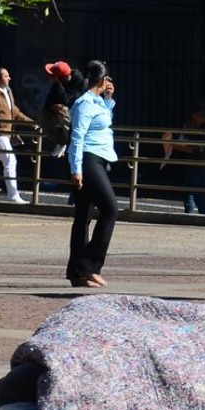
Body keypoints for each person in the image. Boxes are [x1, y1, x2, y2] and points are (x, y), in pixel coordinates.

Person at [66, 61, 119, 288]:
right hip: (88, 159)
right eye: (108, 78)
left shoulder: (98, 101)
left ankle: (76, 272)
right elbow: (77, 137)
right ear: (102, 78)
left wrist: (108, 99)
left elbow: (105, 121)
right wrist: (75, 169)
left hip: (99, 157)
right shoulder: (84, 103)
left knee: (83, 216)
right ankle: (89, 264)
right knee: (110, 208)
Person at [0, 66, 37, 203]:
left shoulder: (8, 91)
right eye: (6, 76)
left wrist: (32, 122)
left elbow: (15, 112)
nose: (9, 78)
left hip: (6, 135)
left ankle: (13, 195)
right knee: (10, 161)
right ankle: (13, 195)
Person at [163, 104, 205, 214]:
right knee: (191, 192)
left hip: (200, 166)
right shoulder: (202, 128)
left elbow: (194, 149)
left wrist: (174, 144)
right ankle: (193, 215)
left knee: (195, 192)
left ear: (200, 116)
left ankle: (200, 215)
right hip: (197, 165)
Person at [41, 61, 74, 158]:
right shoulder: (56, 86)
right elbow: (48, 102)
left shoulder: (76, 84)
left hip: (74, 116)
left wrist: (65, 107)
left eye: (53, 75)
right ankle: (61, 142)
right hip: (57, 117)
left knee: (62, 112)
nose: (50, 77)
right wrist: (53, 106)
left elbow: (72, 101)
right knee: (43, 113)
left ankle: (72, 141)